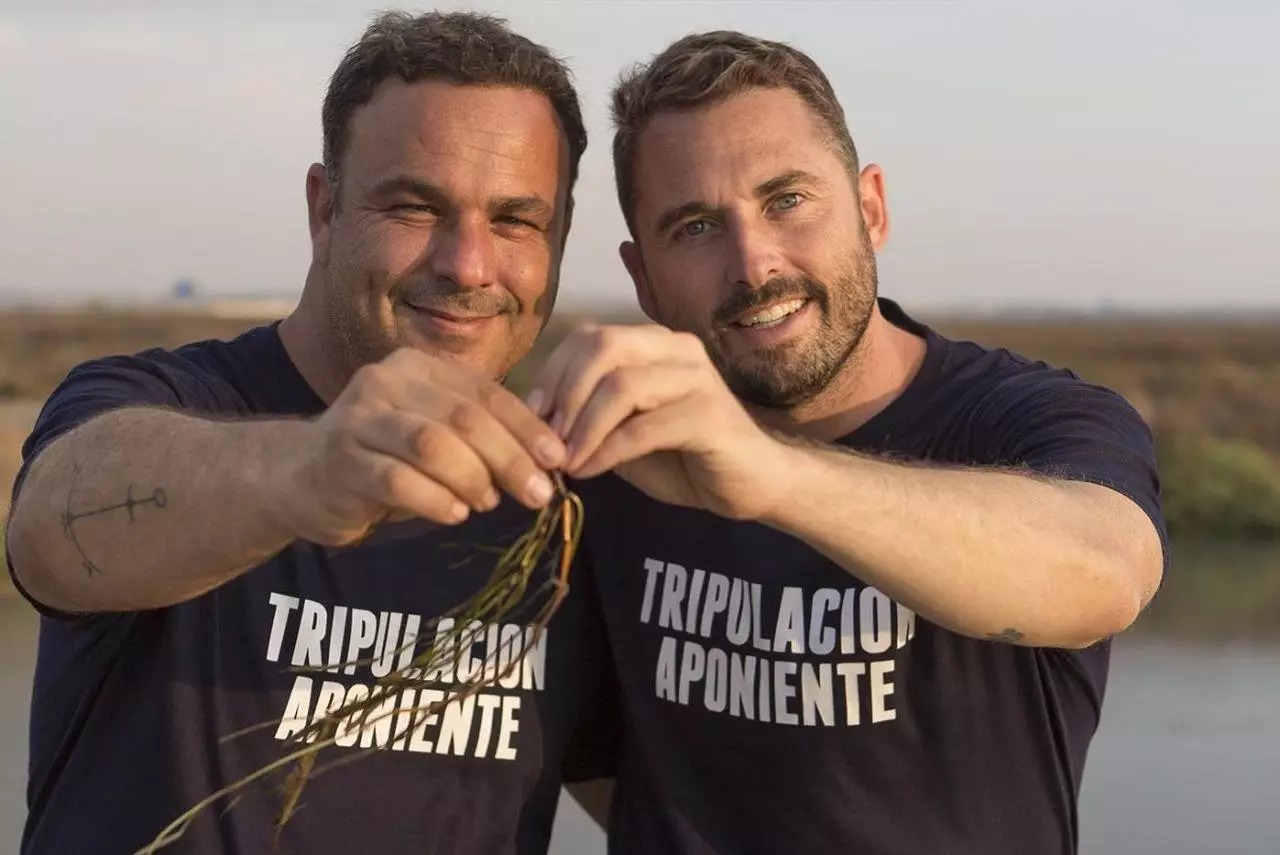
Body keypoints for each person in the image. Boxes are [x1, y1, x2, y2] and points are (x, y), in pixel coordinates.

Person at [529, 30, 1168, 855]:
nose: (754, 264)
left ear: (871, 208)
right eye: (694, 227)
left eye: (787, 199)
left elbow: (1105, 574)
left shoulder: (1028, 416)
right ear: (643, 277)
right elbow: (582, 751)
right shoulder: (617, 459)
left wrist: (773, 476)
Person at [5, 11, 614, 854]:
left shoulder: (570, 502)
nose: (468, 264)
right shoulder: (159, 399)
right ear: (324, 209)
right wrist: (307, 470)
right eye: (413, 205)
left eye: (516, 220)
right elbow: (51, 532)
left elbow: (698, 803)